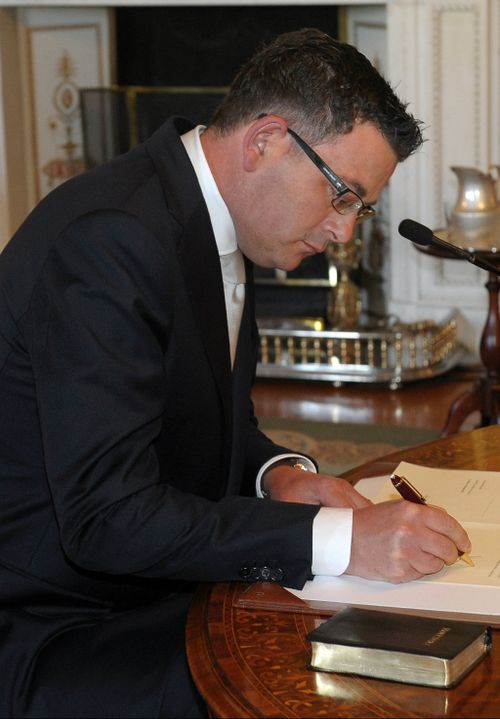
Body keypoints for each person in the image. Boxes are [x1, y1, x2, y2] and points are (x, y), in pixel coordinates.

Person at [0, 28, 471, 718]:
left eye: (359, 208)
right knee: (334, 687)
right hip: (59, 632)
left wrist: (276, 472)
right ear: (265, 141)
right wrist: (338, 540)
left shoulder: (209, 220)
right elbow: (106, 518)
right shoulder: (111, 239)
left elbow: (210, 424)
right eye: (342, 195)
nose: (345, 231)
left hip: (148, 595)